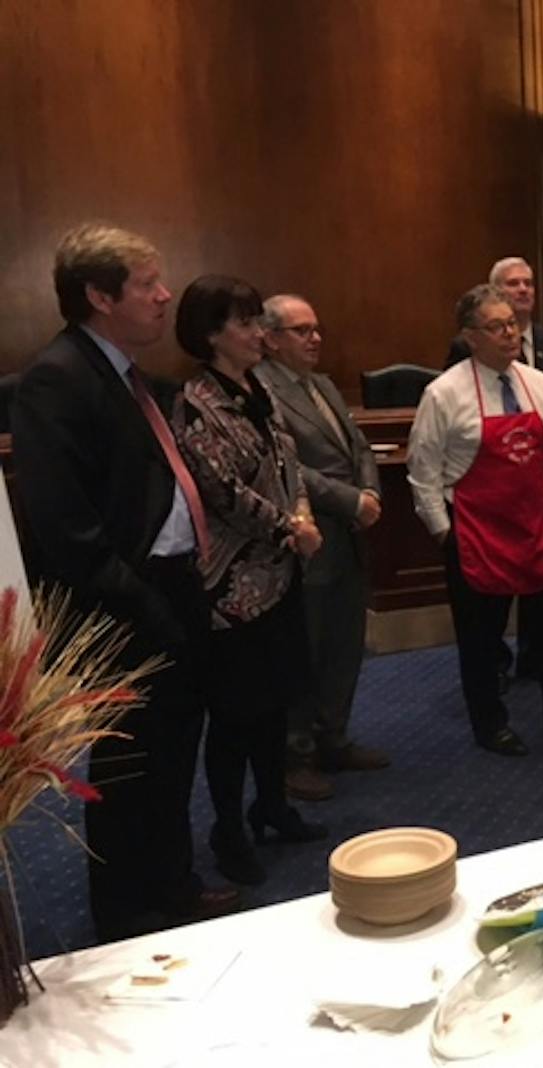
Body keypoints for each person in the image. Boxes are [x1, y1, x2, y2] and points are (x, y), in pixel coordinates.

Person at [11, 223, 238, 940]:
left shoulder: (126, 374)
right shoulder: (56, 379)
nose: (165, 296)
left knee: (173, 752)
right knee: (130, 760)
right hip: (119, 603)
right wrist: (145, 604)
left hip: (173, 585)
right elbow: (68, 530)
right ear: (100, 295)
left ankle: (172, 884)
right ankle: (125, 911)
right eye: (148, 286)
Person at [171, 274, 327, 887]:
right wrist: (290, 528)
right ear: (211, 335)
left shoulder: (259, 387)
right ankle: (229, 828)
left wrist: (304, 518)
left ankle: (272, 805)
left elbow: (292, 467)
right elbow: (222, 491)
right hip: (233, 591)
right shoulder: (196, 403)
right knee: (236, 717)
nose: (258, 333)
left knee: (272, 707)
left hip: (281, 578)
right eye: (244, 323)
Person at [408, 284, 543, 756]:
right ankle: (490, 724)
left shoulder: (539, 384)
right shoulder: (443, 393)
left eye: (512, 323)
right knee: (481, 638)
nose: (509, 333)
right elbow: (423, 472)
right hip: (476, 530)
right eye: (496, 327)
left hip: (541, 524)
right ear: (470, 337)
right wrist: (444, 533)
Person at [253, 294, 389, 802]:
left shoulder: (325, 384)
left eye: (316, 329)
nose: (314, 339)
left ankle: (334, 737)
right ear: (269, 338)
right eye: (300, 331)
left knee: (343, 643)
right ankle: (298, 753)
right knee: (306, 649)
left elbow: (358, 446)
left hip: (348, 535)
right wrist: (351, 499)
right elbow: (284, 464)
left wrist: (369, 490)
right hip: (311, 537)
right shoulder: (262, 390)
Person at [443, 256, 543, 412]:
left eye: (528, 283)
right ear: (494, 291)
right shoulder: (467, 345)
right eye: (513, 284)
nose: (523, 289)